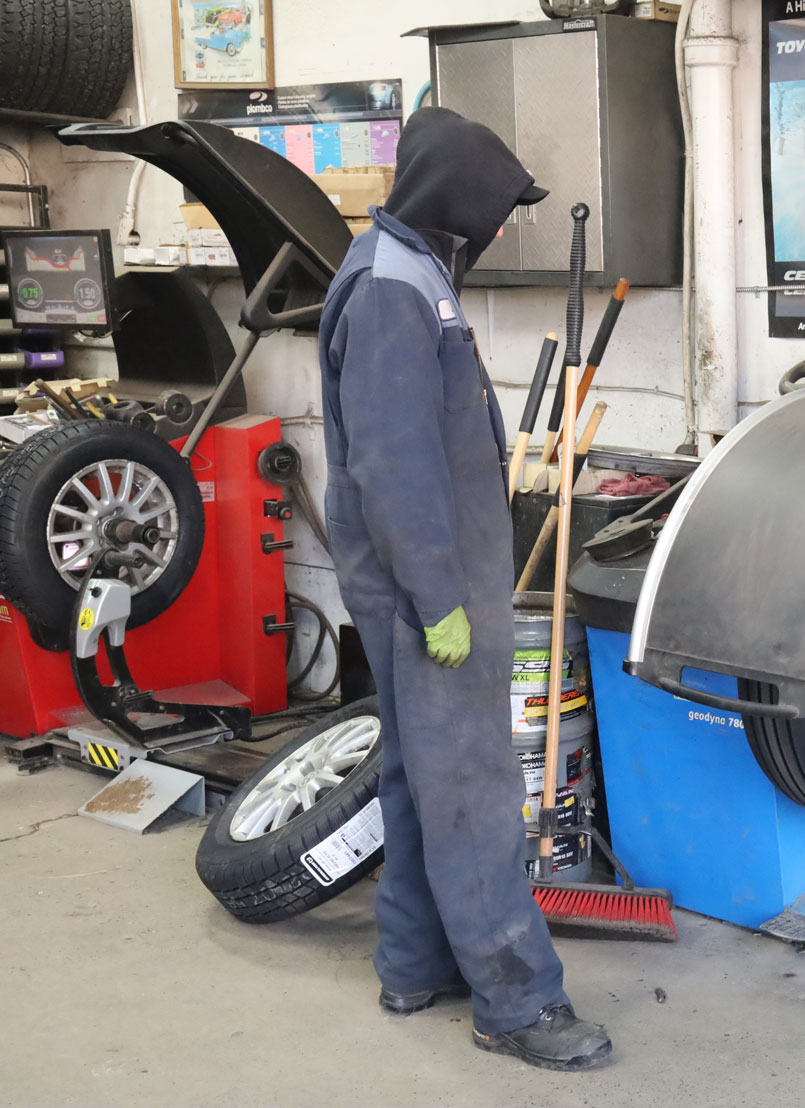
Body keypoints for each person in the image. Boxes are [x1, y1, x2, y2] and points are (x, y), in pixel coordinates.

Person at [317, 107, 612, 1072]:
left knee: (419, 777)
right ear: (458, 207)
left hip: (429, 578)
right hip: (426, 593)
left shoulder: (406, 272)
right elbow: (393, 464)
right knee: (475, 787)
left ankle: (414, 962)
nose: (495, 234)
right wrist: (439, 597)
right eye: (493, 215)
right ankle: (515, 999)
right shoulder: (392, 292)